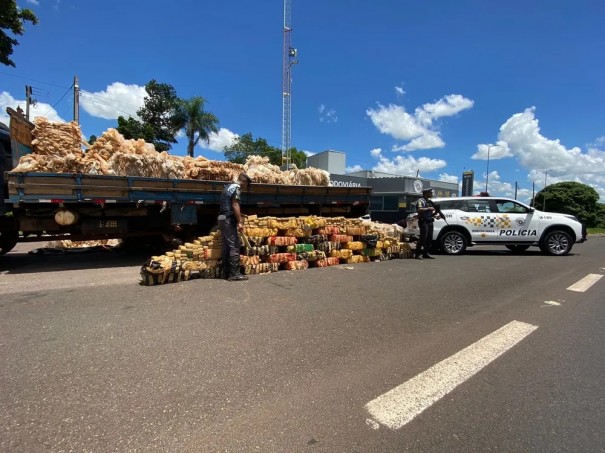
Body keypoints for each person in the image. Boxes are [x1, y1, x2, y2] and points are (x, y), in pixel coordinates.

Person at [218, 172, 251, 281]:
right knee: (234, 245)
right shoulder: (236, 188)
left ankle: (225, 272)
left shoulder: (227, 187)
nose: (246, 187)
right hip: (228, 219)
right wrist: (240, 221)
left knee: (226, 246)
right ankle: (234, 274)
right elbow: (235, 204)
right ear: (244, 181)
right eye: (247, 184)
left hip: (222, 218)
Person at [415, 188, 439, 260]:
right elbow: (419, 209)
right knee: (423, 238)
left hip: (430, 221)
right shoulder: (421, 201)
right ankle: (418, 254)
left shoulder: (429, 201)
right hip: (423, 221)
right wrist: (428, 208)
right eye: (430, 193)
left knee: (429, 238)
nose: (431, 194)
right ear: (426, 193)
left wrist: (436, 216)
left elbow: (430, 213)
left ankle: (426, 253)